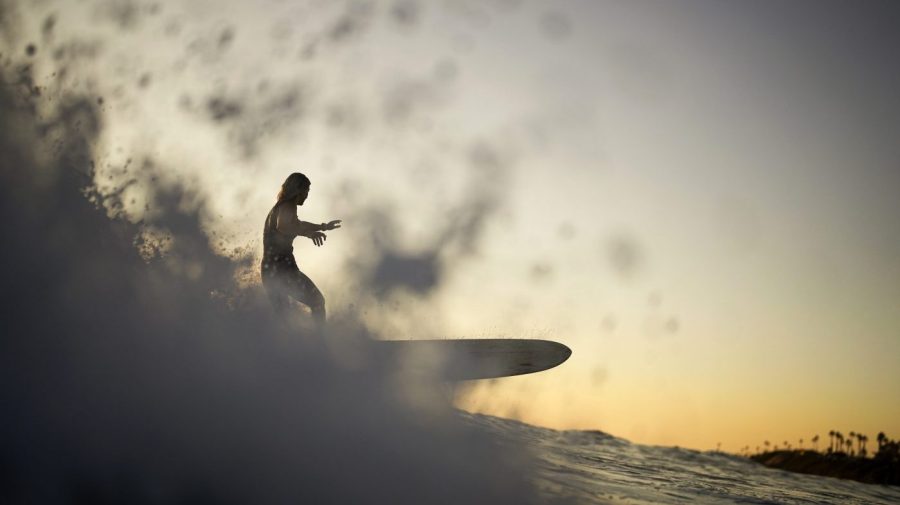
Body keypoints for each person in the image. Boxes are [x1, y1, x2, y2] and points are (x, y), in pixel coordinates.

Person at [261, 173, 341, 324]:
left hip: (269, 270)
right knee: (317, 301)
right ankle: (319, 343)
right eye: (307, 191)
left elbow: (297, 224)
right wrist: (309, 234)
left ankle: (293, 346)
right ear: (298, 190)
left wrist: (323, 227)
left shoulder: (279, 208)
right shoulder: (287, 205)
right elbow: (284, 226)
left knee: (285, 320)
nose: (307, 195)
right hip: (282, 269)